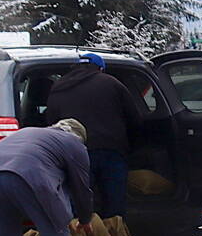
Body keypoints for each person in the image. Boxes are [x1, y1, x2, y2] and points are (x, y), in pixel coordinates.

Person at [44, 53, 144, 219]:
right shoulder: (112, 83)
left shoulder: (59, 86)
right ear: (100, 68)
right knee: (114, 202)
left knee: (79, 201)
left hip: (74, 151)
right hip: (111, 150)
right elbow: (134, 119)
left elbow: (51, 122)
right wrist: (132, 148)